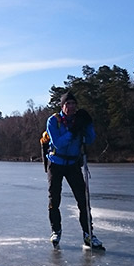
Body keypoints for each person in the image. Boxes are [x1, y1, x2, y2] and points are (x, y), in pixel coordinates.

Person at [45, 91, 104, 250]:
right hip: (56, 163)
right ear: (62, 106)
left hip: (73, 164)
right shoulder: (53, 121)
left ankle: (88, 234)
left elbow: (90, 139)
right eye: (67, 104)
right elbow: (57, 143)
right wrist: (72, 131)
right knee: (54, 198)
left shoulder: (79, 120)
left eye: (73, 104)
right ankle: (56, 230)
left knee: (83, 199)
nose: (71, 107)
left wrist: (88, 124)